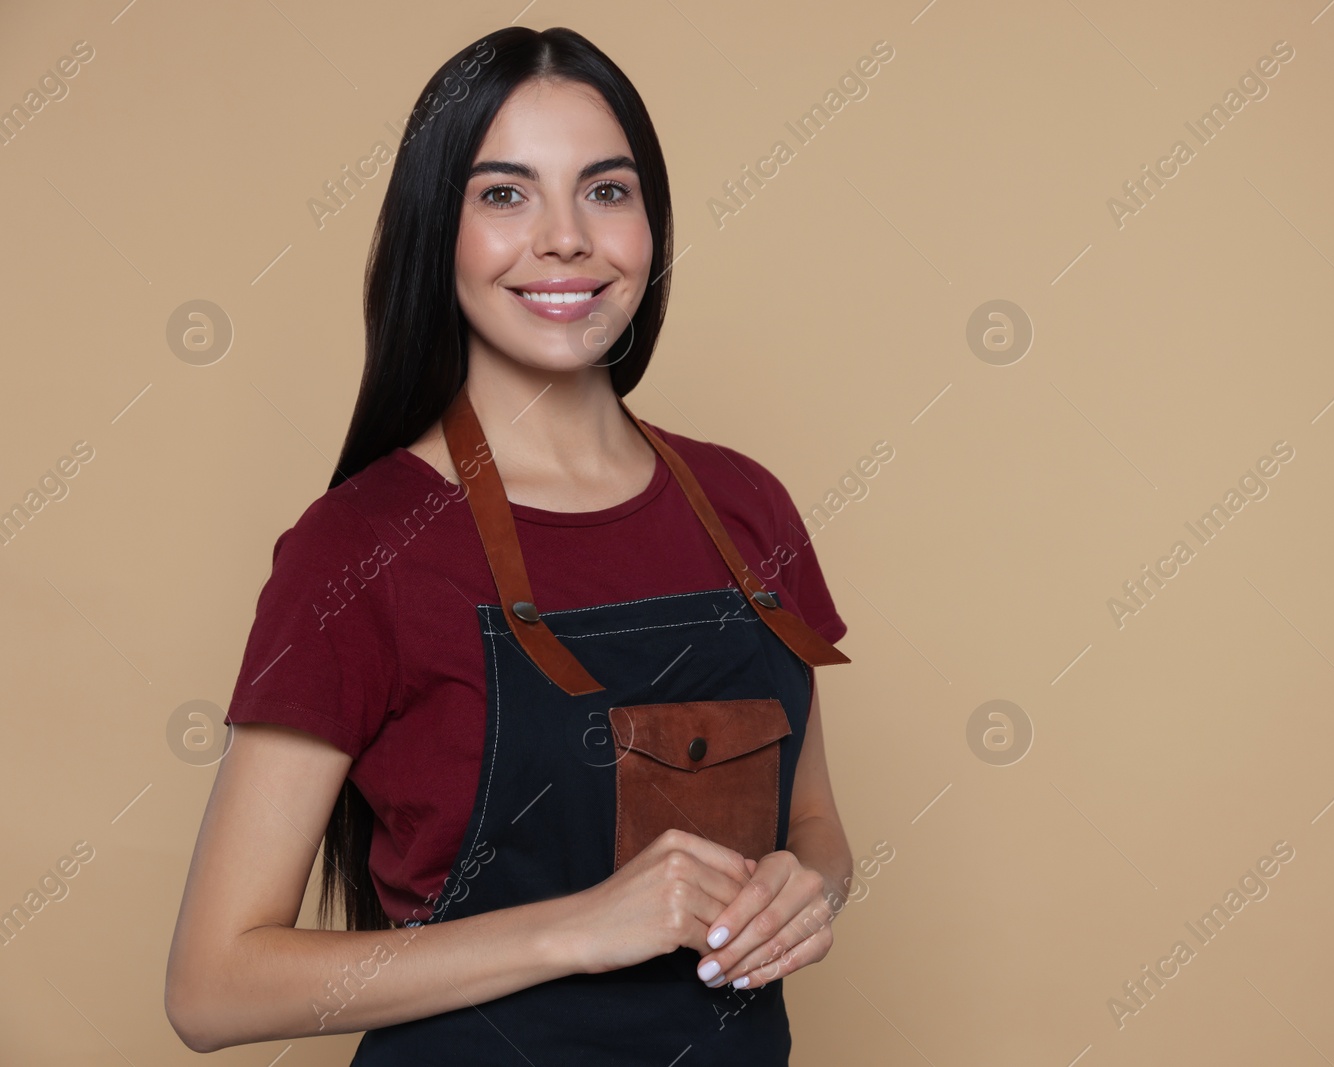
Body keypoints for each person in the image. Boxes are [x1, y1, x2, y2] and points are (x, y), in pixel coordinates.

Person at [165, 25, 855, 1065]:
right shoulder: (358, 549)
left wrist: (810, 889)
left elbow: (814, 829)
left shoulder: (746, 504)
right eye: (504, 193)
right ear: (434, 232)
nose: (566, 236)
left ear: (651, 226)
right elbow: (212, 987)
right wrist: (576, 928)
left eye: (605, 190)